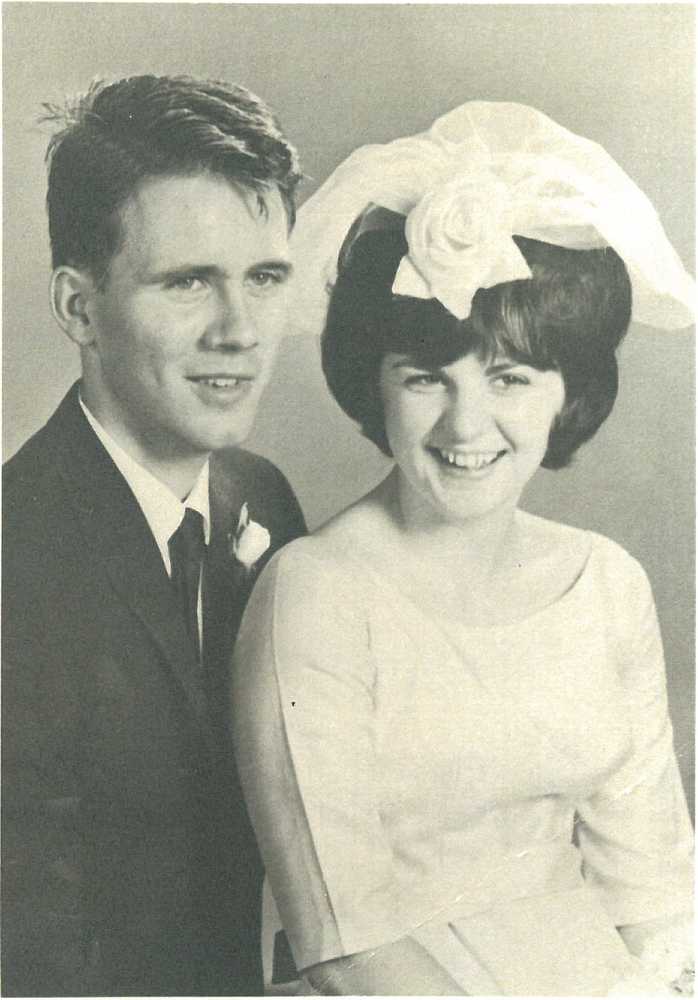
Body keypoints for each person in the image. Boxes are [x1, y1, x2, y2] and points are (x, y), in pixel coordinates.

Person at [232, 102, 695, 996]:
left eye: (510, 378)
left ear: (569, 395)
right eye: (425, 378)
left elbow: (653, 889)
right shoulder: (316, 592)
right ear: (376, 387)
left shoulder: (604, 582)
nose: (466, 425)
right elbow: (342, 943)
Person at [2, 74, 306, 997]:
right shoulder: (12, 557)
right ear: (79, 309)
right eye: (188, 284)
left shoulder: (263, 501)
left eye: (264, 278)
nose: (240, 331)